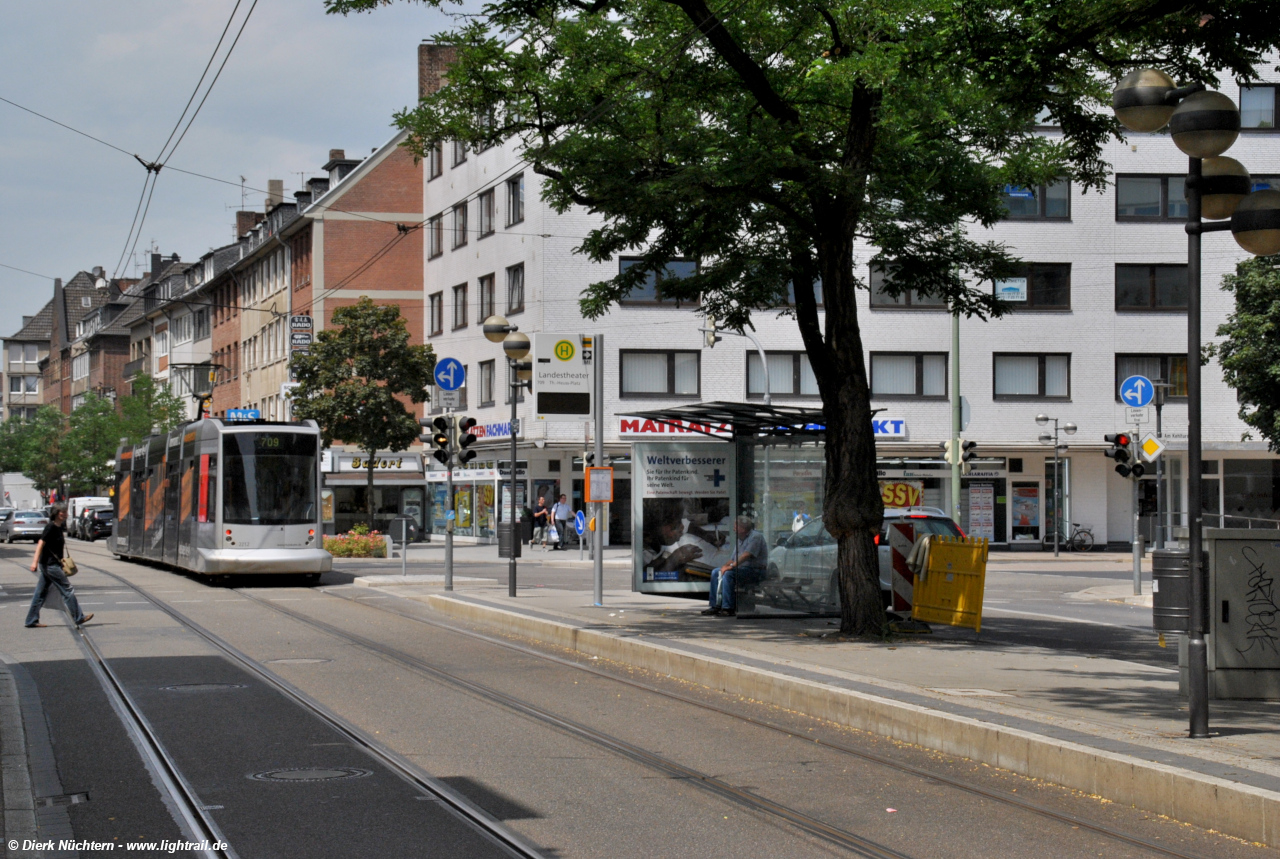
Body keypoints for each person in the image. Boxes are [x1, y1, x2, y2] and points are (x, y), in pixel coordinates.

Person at [24, 506, 92, 629]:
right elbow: (40, 543)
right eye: (63, 512)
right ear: (56, 513)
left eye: (66, 512)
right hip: (49, 565)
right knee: (67, 589)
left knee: (40, 593)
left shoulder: (58, 527)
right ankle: (78, 617)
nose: (65, 514)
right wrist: (34, 562)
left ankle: (31, 620)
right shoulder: (50, 527)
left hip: (51, 564)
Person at [702, 515, 768, 617]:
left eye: (735, 526)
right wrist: (724, 566)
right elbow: (733, 558)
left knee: (729, 574)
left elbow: (746, 555)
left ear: (743, 528)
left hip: (755, 571)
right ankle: (714, 606)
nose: (733, 529)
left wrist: (731, 566)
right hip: (742, 569)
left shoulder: (755, 537)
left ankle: (728, 608)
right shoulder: (739, 539)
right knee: (716, 572)